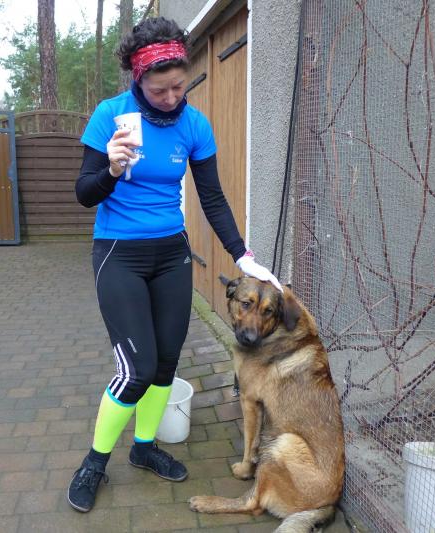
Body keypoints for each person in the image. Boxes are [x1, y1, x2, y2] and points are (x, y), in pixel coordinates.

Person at [68, 16, 282, 513]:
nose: (171, 98)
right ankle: (94, 463)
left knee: (166, 360)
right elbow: (84, 194)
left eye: (179, 87)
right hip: (119, 252)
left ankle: (144, 448)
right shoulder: (110, 116)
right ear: (138, 78)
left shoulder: (194, 124)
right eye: (159, 90)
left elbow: (212, 198)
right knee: (137, 368)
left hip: (171, 254)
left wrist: (243, 255)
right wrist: (112, 169)